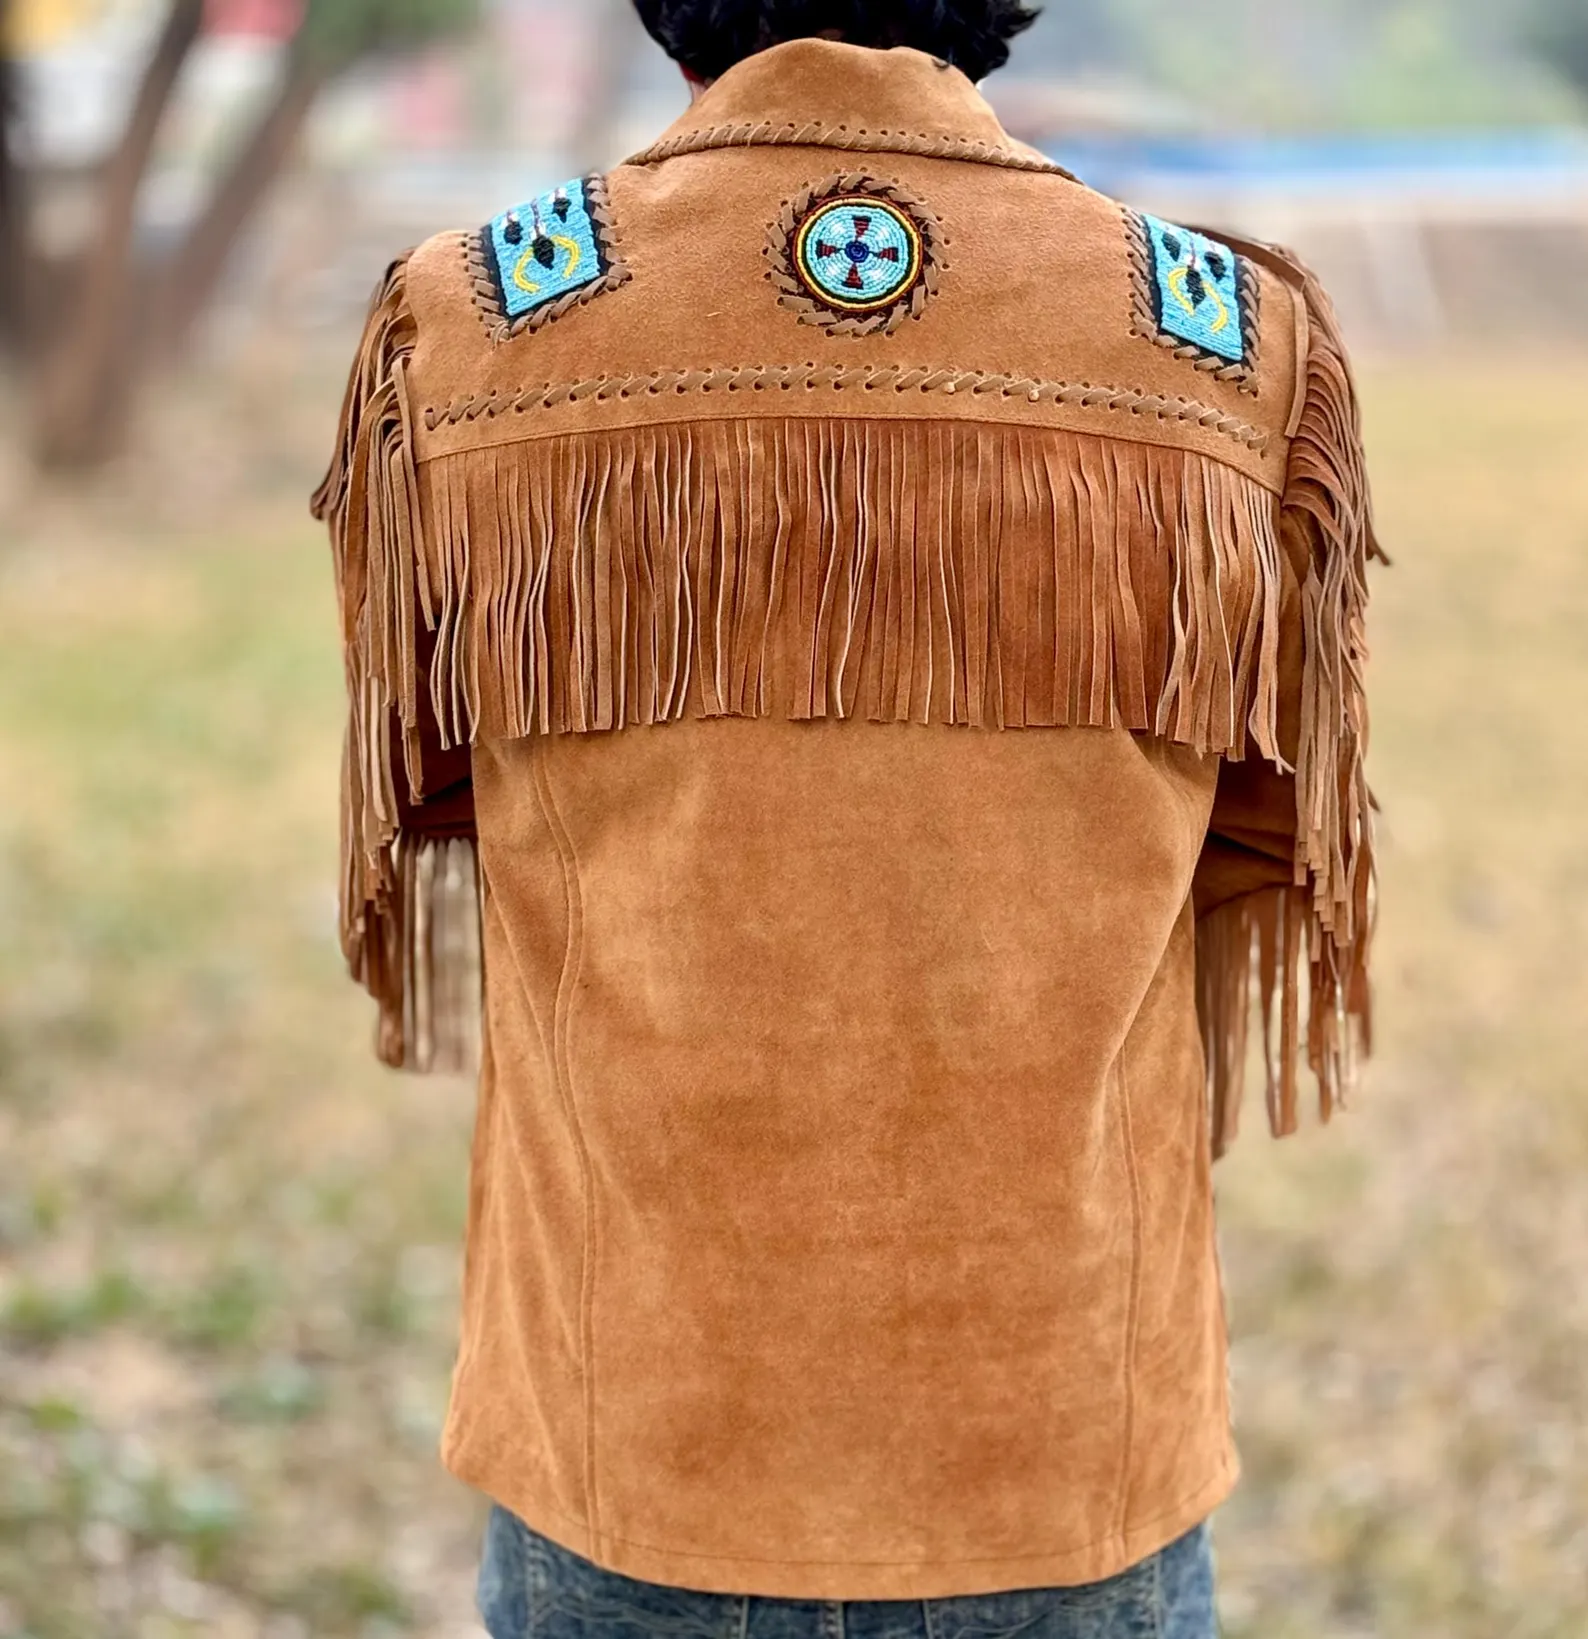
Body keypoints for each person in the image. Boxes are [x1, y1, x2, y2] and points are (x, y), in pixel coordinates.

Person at [311, 2, 1383, 1634]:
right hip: (1066, 1448)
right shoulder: (1224, 341)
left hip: (640, 1447)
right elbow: (1258, 839)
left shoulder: (471, 329)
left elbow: (440, 784)